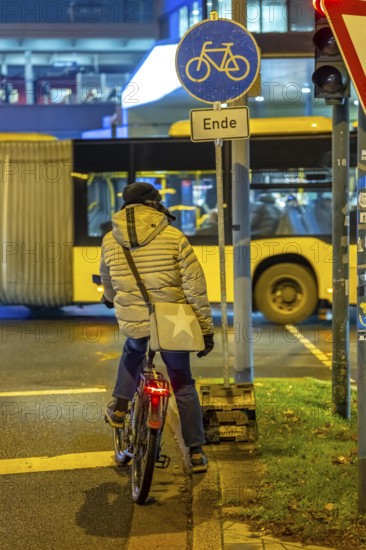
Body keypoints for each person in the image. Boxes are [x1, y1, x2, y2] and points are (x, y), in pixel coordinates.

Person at [99, 182, 215, 471]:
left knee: (133, 349)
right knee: (183, 383)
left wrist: (109, 298)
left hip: (135, 322)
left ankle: (121, 407)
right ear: (155, 205)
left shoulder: (110, 240)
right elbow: (195, 288)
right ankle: (197, 452)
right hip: (173, 322)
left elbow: (108, 279)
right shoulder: (174, 237)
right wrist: (205, 329)